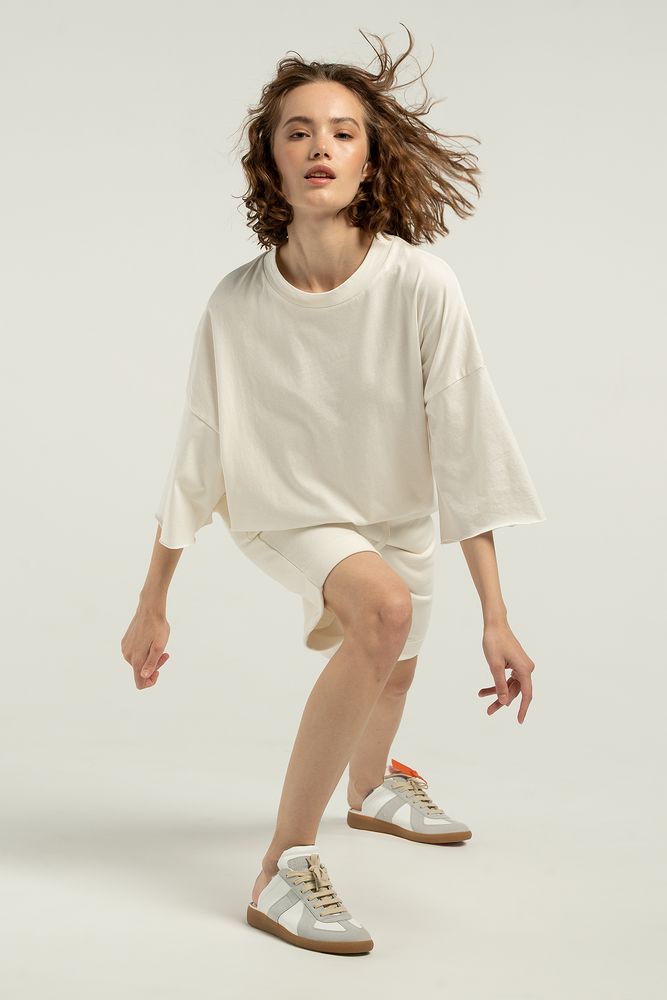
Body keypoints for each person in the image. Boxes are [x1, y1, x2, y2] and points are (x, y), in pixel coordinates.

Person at [120, 27, 546, 956]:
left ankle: (371, 787)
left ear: (369, 160)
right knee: (382, 614)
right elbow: (197, 451)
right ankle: (282, 865)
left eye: (343, 132)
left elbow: (466, 445)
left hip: (394, 508)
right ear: (269, 163)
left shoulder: (421, 285)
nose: (320, 146)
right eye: (298, 131)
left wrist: (495, 616)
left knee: (395, 664)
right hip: (283, 510)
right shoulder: (236, 304)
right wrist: (153, 598)